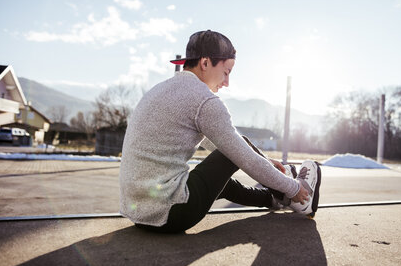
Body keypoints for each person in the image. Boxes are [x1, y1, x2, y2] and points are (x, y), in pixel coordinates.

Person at [119, 30, 321, 233]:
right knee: (233, 151)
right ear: (205, 63)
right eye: (226, 72)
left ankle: (273, 198)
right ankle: (300, 198)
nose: (227, 82)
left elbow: (214, 143)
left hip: (140, 212)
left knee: (221, 178)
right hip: (171, 213)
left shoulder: (161, 90)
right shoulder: (203, 100)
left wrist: (268, 163)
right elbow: (240, 156)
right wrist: (292, 188)